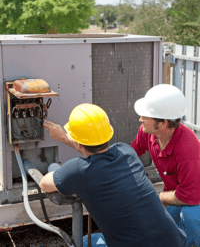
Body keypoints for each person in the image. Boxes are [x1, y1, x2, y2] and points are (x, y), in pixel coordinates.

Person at [40, 103, 188, 247]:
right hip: (173, 241)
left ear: (79, 143)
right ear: (108, 135)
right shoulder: (126, 151)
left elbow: (44, 184)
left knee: (83, 242)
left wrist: (57, 170)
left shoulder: (78, 170)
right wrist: (67, 139)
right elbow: (99, 158)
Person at [131, 84, 200, 247]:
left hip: (195, 197)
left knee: (190, 217)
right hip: (176, 192)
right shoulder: (148, 131)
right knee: (158, 228)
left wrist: (152, 197)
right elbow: (131, 153)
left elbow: (187, 197)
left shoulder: (188, 150)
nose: (140, 119)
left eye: (145, 116)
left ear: (163, 123)